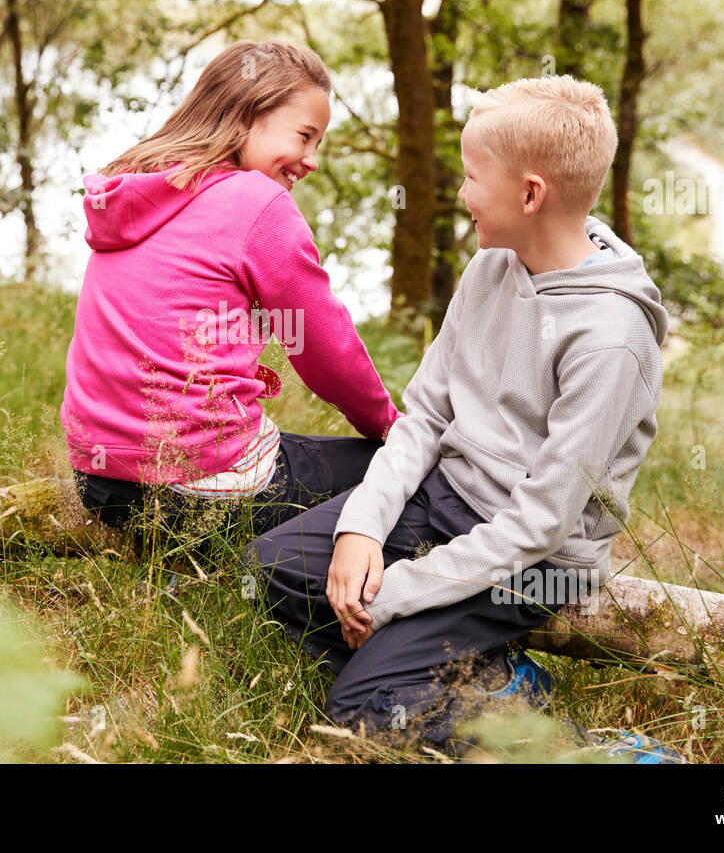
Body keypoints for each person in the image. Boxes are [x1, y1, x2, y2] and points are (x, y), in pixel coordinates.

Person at [245, 74, 672, 757]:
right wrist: (362, 527)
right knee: (272, 570)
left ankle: (561, 743)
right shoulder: (490, 266)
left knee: (358, 717)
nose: (461, 193)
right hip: (447, 499)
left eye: (473, 177)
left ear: (530, 194)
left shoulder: (609, 338)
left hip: (533, 559)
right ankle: (467, 675)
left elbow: (540, 523)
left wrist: (397, 592)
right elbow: (423, 416)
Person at [61, 40, 402, 547]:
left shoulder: (139, 188)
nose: (310, 160)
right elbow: (323, 346)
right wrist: (391, 429)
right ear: (248, 114)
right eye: (304, 136)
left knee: (313, 451)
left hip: (100, 480)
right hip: (197, 490)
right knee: (397, 470)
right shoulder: (255, 202)